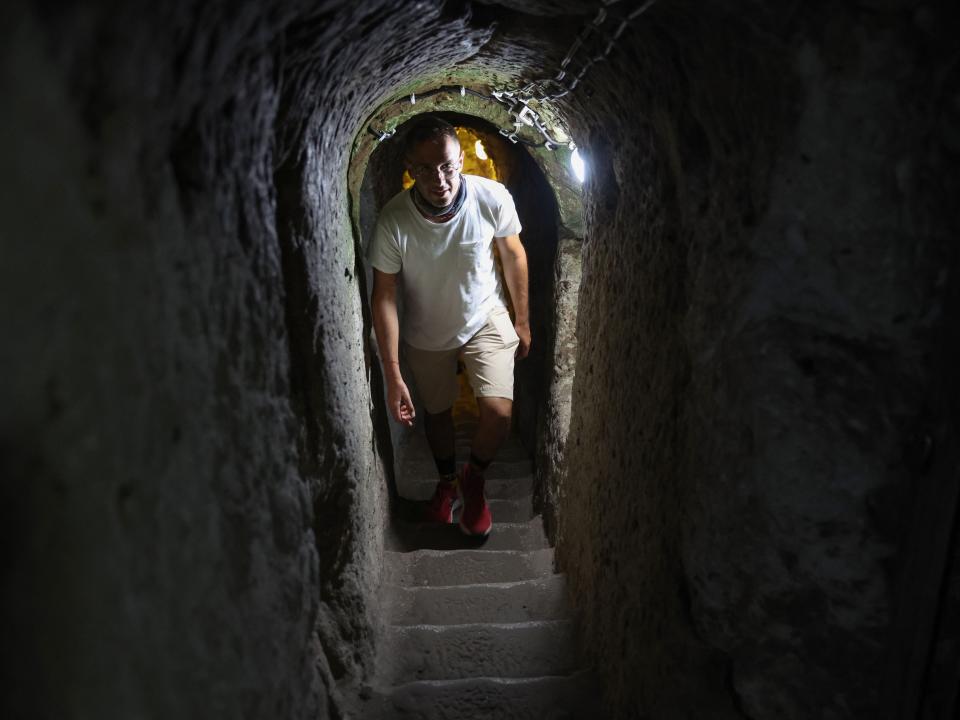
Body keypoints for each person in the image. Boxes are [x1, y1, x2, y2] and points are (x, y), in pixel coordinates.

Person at [368, 115, 530, 537]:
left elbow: (513, 254)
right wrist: (393, 374)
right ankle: (446, 484)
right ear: (409, 168)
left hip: (485, 315)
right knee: (436, 415)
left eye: (446, 165)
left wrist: (523, 320)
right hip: (426, 329)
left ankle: (473, 479)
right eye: (424, 168)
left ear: (460, 158)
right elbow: (383, 294)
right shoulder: (394, 221)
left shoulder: (491, 197)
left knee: (498, 412)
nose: (438, 178)